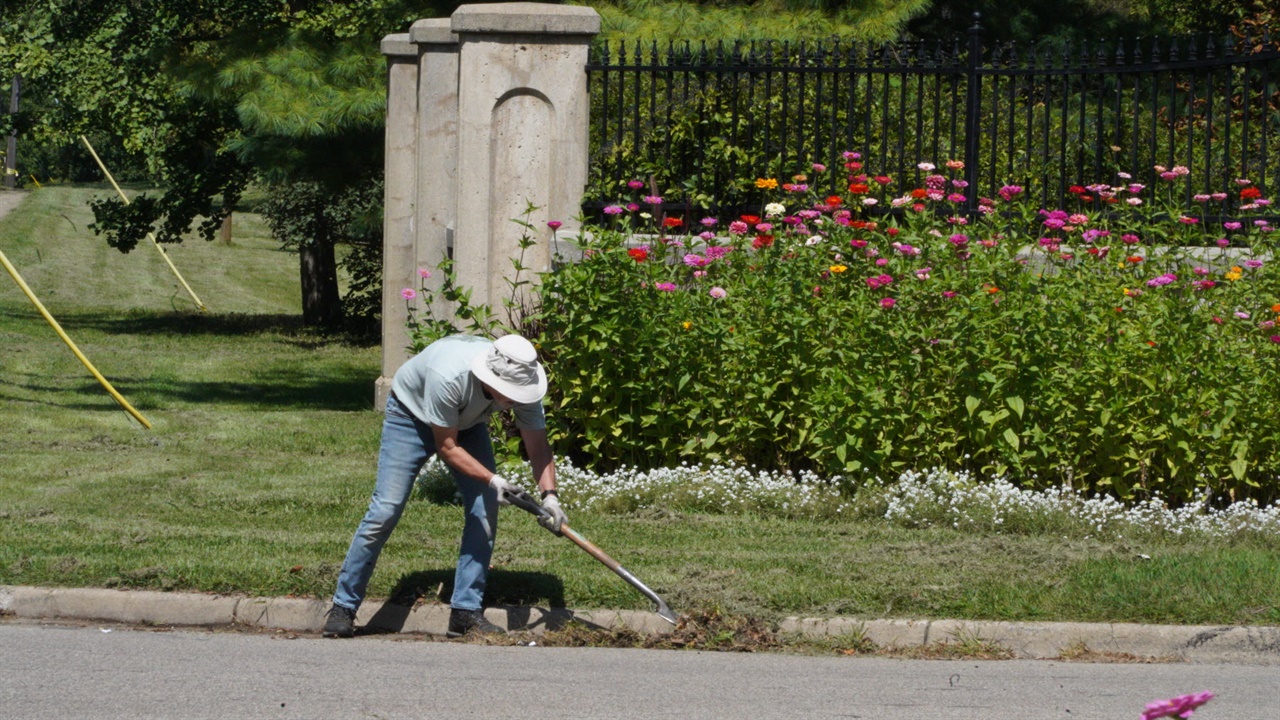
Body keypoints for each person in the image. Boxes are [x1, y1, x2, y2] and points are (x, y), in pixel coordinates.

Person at [322, 333, 567, 639]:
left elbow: (539, 448)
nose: (515, 399)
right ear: (490, 377)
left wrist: (551, 497)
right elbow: (447, 446)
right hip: (409, 416)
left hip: (466, 424)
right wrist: (494, 480)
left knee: (484, 509)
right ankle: (343, 606)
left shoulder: (524, 382)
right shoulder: (450, 376)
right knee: (386, 509)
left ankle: (465, 612)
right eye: (510, 393)